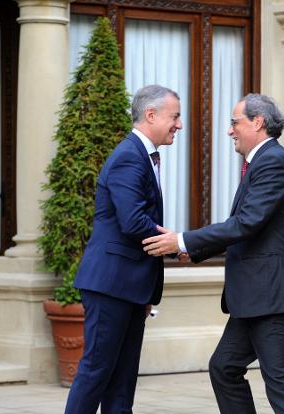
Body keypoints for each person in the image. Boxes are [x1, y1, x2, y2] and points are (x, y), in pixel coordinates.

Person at [142, 93, 284, 414]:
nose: (230, 130)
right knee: (225, 368)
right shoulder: (262, 162)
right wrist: (192, 251)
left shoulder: (274, 162)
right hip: (255, 298)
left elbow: (245, 224)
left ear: (258, 123)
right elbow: (247, 228)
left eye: (235, 122)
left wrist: (183, 241)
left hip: (274, 297)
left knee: (282, 389)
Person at [64, 84, 182, 414]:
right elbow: (132, 222)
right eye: (175, 116)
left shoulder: (139, 155)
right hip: (111, 285)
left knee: (123, 377)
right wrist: (176, 245)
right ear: (151, 115)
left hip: (130, 286)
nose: (179, 125)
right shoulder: (129, 157)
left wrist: (176, 245)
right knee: (97, 370)